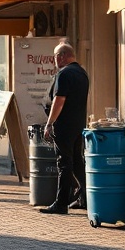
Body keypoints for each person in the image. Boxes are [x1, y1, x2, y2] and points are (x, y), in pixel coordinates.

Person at [39, 41, 90, 215]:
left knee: (64, 164)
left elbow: (59, 101)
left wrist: (50, 123)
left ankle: (61, 203)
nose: (54, 60)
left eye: (55, 56)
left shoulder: (65, 74)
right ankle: (85, 197)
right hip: (78, 125)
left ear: (61, 56)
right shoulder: (82, 73)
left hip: (64, 125)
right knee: (77, 163)